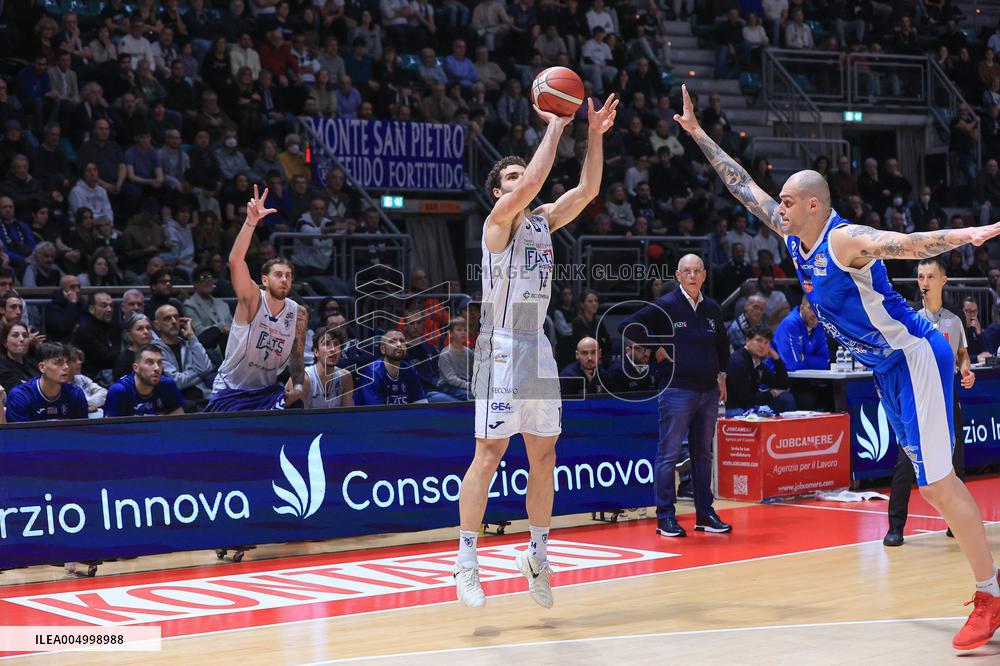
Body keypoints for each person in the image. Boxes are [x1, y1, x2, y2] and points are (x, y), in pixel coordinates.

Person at [674, 82, 1000, 651]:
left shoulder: (843, 239)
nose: (777, 206)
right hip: (885, 368)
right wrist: (699, 134)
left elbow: (904, 243)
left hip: (916, 355)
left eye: (787, 200)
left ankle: (990, 594)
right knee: (931, 486)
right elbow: (741, 188)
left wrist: (962, 237)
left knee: (940, 485)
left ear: (814, 205)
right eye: (780, 201)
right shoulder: (794, 238)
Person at [455, 93, 618, 610]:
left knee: (544, 454)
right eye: (510, 178)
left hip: (538, 347)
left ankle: (538, 555)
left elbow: (588, 189)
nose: (520, 181)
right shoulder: (497, 223)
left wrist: (592, 133)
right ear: (497, 193)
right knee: (489, 454)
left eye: (521, 176)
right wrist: (555, 123)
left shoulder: (543, 222)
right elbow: (531, 183)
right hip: (498, 346)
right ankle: (466, 560)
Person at [619, 254, 731, 538]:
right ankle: (665, 517)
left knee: (703, 455)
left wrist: (722, 376)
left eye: (697, 271)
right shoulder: (665, 306)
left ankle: (705, 514)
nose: (692, 276)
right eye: (687, 271)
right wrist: (655, 345)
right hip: (677, 389)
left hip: (707, 390)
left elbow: (722, 345)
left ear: (704, 275)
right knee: (668, 455)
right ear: (678, 276)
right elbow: (628, 326)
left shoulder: (713, 309)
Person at [884, 258, 972, 547]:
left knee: (954, 460)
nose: (924, 282)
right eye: (920, 277)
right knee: (906, 462)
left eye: (930, 276)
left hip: (948, 397)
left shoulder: (954, 320)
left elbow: (962, 355)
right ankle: (895, 526)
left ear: (942, 281)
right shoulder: (912, 321)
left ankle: (954, 522)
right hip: (919, 397)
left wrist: (967, 369)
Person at [206, 185, 308, 412]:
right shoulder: (252, 298)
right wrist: (251, 222)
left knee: (298, 402)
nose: (284, 280)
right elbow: (235, 261)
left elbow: (297, 357)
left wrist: (299, 385)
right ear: (264, 280)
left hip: (266, 392)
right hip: (231, 391)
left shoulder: (297, 312)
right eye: (278, 275)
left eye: (288, 276)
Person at [6, 342, 88, 422]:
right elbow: (19, 435)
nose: (66, 367)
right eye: (59, 363)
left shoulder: (76, 394)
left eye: (67, 362)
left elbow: (83, 433)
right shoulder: (21, 396)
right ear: (42, 367)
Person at [725, 324, 795, 415]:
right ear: (747, 341)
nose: (762, 346)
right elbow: (746, 400)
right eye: (759, 340)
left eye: (766, 343)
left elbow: (782, 384)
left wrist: (777, 359)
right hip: (735, 409)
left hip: (750, 406)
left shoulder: (757, 363)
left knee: (786, 399)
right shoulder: (738, 362)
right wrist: (773, 393)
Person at [105, 344, 184, 417]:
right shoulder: (119, 390)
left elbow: (179, 422)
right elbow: (112, 430)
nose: (157, 368)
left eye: (159, 363)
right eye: (150, 362)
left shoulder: (168, 385)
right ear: (136, 368)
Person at [355, 329, 427, 405]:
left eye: (402, 341)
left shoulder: (409, 370)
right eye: (392, 341)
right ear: (383, 349)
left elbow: (420, 402)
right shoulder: (372, 373)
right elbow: (375, 412)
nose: (399, 344)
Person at [293, 324, 353, 408]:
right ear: (316, 351)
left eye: (336, 344)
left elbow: (349, 417)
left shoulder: (346, 378)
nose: (333, 349)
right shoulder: (304, 379)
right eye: (326, 344)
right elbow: (298, 419)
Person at [773, 295, 830, 370]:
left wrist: (802, 357)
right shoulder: (790, 324)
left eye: (819, 309)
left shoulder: (819, 325)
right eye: (810, 308)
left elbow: (825, 362)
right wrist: (812, 362)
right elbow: (790, 364)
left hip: (804, 378)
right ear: (801, 308)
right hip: (777, 377)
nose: (815, 314)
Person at [437, 317, 473, 400]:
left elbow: (472, 372)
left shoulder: (469, 352)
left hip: (465, 384)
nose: (463, 332)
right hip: (447, 386)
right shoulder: (445, 353)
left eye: (465, 330)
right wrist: (469, 385)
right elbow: (450, 379)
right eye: (459, 330)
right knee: (471, 396)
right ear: (450, 333)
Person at [67, 346, 107, 416]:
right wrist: (86, 408)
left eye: (79, 359)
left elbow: (104, 393)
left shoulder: (82, 379)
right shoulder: (60, 385)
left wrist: (84, 404)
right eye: (74, 361)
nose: (79, 362)